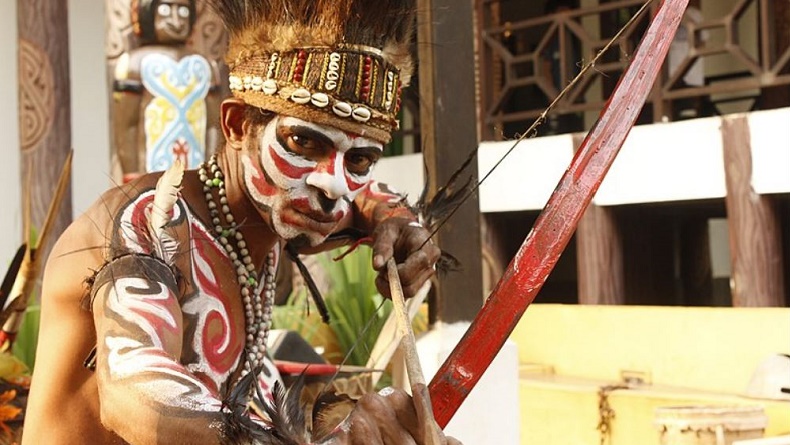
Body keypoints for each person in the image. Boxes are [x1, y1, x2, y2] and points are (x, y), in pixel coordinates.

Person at [22, 0, 457, 443]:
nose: (334, 184)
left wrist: (398, 219)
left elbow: (360, 201)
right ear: (235, 125)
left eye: (360, 159)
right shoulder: (148, 224)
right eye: (304, 142)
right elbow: (135, 395)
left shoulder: (278, 211)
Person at [112, 0, 221, 183]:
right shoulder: (134, 63)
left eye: (183, 11)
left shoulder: (206, 66)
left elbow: (213, 126)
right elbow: (127, 125)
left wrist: (211, 169)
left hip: (196, 173)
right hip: (150, 176)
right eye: (165, 9)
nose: (176, 20)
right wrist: (131, 175)